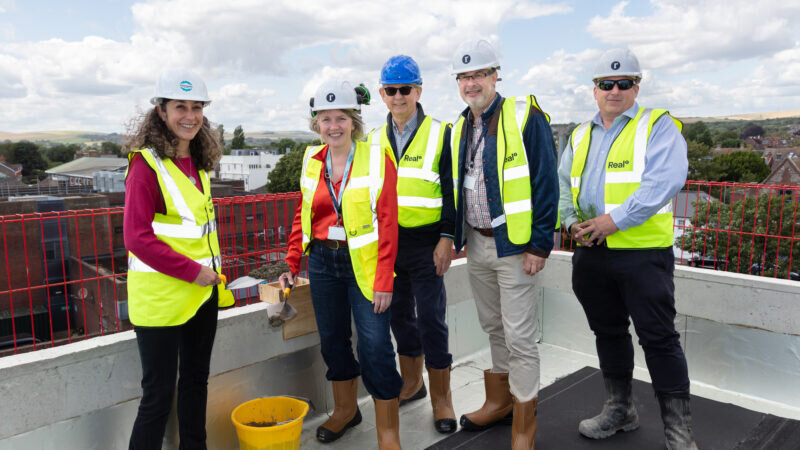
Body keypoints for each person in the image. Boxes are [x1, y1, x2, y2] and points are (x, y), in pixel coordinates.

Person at [557, 48, 697, 449]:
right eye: (606, 84)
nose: (614, 91)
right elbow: (563, 186)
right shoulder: (580, 134)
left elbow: (663, 183)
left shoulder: (658, 126)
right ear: (594, 89)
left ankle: (679, 432)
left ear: (637, 86)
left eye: (624, 83)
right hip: (592, 254)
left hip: (642, 255)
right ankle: (621, 410)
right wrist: (570, 224)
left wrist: (610, 222)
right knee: (608, 332)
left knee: (659, 338)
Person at [279, 79, 403, 449]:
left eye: (341, 118)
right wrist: (292, 260)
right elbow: (303, 213)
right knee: (333, 342)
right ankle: (346, 411)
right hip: (321, 264)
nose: (333, 126)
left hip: (364, 267)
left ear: (354, 121)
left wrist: (384, 280)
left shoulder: (376, 159)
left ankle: (388, 433)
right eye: (325, 119)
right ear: (316, 123)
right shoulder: (310, 160)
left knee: (376, 346)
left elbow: (388, 223)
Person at [449, 39, 559, 450]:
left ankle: (523, 425)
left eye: (479, 74)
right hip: (477, 245)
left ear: (496, 75)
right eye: (464, 77)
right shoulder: (461, 125)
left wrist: (539, 245)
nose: (471, 83)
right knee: (494, 327)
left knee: (519, 336)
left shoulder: (524, 116)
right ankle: (500, 403)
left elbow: (546, 182)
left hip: (515, 247)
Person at [124, 68, 234, 449]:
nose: (190, 116)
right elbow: (136, 237)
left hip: (202, 295)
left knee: (195, 382)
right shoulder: (145, 166)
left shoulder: (198, 163)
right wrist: (193, 272)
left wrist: (206, 275)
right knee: (157, 396)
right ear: (161, 112)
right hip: (160, 301)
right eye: (179, 107)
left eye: (196, 107)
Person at [369, 55, 457, 434]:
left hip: (427, 244)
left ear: (419, 91)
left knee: (432, 318)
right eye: (392, 90)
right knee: (400, 315)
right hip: (388, 246)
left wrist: (448, 238)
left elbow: (453, 193)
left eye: (406, 89)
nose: (399, 96)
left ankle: (442, 399)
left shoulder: (441, 133)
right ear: (382, 94)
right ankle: (413, 384)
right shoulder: (372, 140)